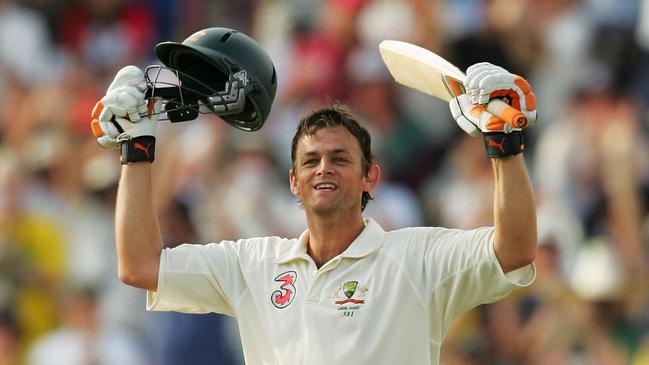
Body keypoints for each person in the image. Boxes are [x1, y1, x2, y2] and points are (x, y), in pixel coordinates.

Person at [90, 27, 538, 365]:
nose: (324, 167)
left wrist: (503, 146)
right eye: (311, 161)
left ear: (370, 178)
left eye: (340, 159)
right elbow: (139, 265)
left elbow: (515, 249)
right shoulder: (256, 265)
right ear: (293, 182)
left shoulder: (417, 257)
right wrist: (136, 151)